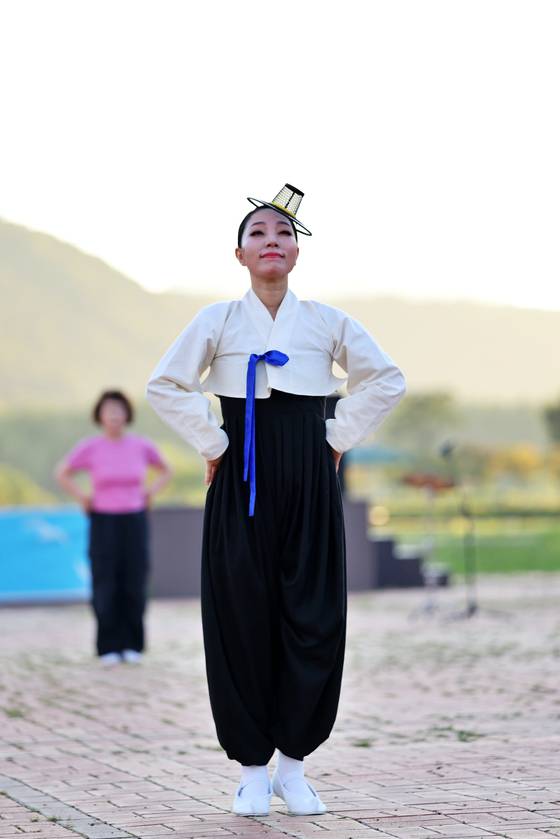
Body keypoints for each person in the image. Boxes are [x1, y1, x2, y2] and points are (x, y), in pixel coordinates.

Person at [146, 184, 406, 816]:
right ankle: (251, 772)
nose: (272, 242)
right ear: (239, 254)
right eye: (259, 234)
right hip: (240, 477)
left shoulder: (326, 322)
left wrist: (336, 438)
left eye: (283, 234)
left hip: (311, 475)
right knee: (241, 615)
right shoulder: (217, 320)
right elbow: (165, 384)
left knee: (312, 615)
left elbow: (387, 379)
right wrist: (213, 442)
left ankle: (294, 766)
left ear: (297, 252)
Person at [54, 389, 172, 665]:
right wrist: (83, 497)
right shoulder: (90, 447)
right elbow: (62, 473)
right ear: (100, 415)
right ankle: (108, 646)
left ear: (127, 414)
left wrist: (149, 493)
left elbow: (166, 470)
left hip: (134, 519)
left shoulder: (141, 446)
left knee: (134, 580)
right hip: (103, 520)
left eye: (119, 409)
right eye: (109, 410)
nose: (114, 415)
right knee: (105, 581)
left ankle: (133, 644)